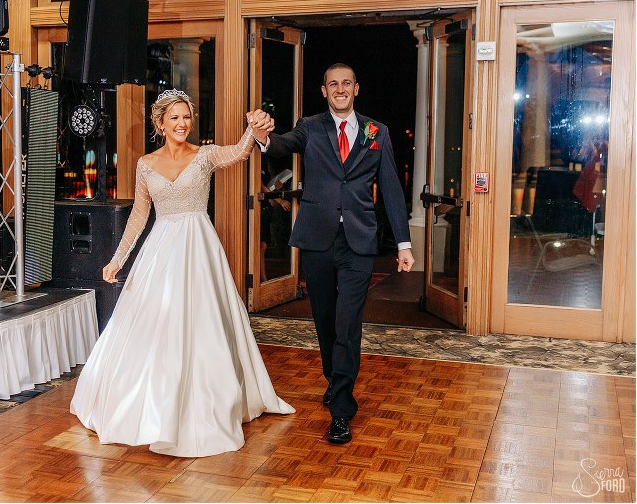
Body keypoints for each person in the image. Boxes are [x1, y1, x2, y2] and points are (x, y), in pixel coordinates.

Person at [71, 89, 294, 457]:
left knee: (202, 323)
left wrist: (253, 131)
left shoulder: (204, 155)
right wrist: (118, 259)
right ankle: (155, 402)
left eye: (186, 117)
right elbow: (139, 215)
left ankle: (207, 402)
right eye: (174, 117)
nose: (182, 123)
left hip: (199, 248)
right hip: (161, 250)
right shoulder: (146, 164)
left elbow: (238, 153)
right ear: (160, 124)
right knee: (157, 326)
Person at [259, 63, 414, 444]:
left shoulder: (377, 131)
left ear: (356, 89)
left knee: (348, 323)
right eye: (333, 84)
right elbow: (281, 145)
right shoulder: (310, 127)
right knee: (325, 319)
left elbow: (391, 188)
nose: (340, 89)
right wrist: (263, 137)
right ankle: (335, 377)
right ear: (324, 91)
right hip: (318, 239)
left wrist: (403, 243)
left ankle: (342, 410)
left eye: (346, 83)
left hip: (358, 241)